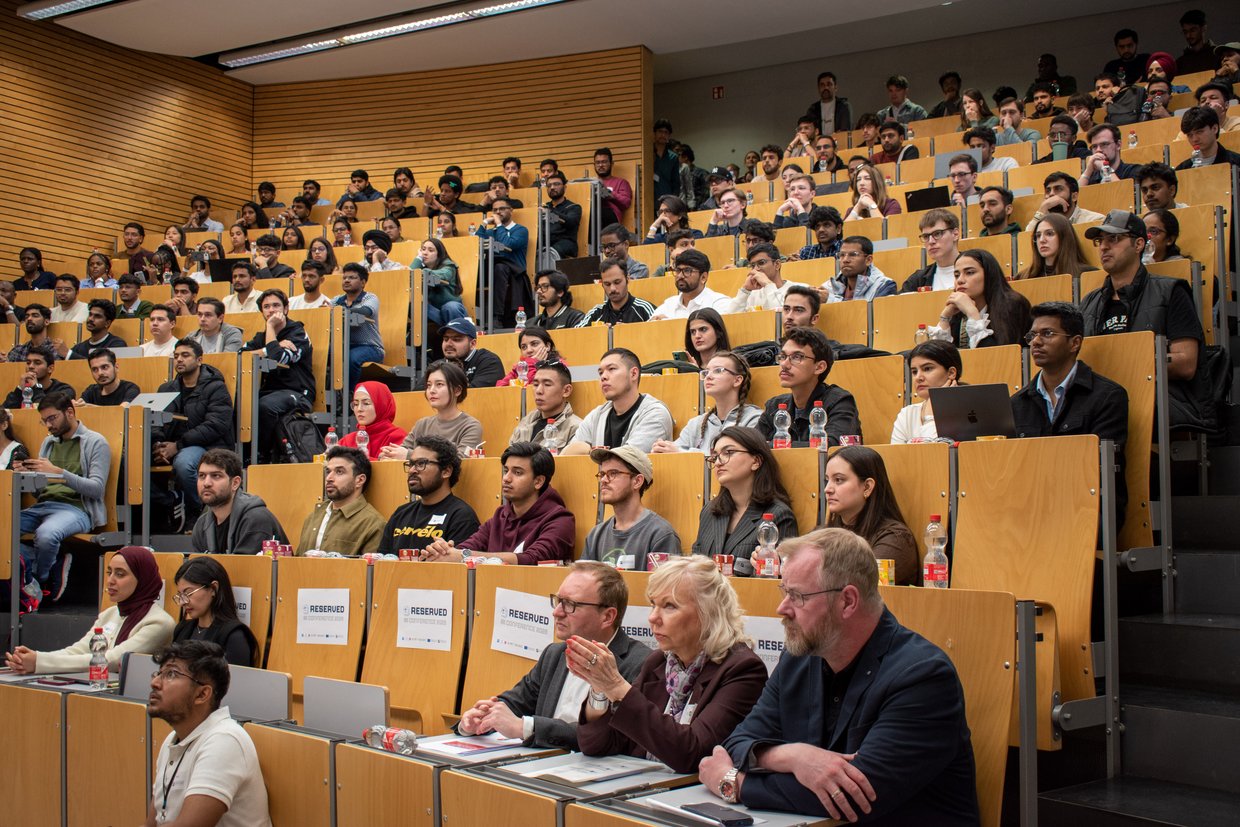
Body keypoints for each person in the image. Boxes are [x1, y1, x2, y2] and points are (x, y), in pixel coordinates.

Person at [701, 527, 979, 822]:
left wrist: (734, 783)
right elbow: (738, 742)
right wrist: (794, 757)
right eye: (784, 592)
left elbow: (854, 797)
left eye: (797, 596)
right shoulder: (798, 658)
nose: (782, 608)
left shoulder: (923, 677)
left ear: (847, 601)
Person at [572, 556, 766, 772]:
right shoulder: (659, 662)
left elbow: (693, 754)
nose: (653, 617)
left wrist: (617, 687)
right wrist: (600, 689)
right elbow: (596, 745)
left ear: (708, 613)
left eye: (669, 606)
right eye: (653, 605)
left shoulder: (741, 670)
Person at [456, 562, 650, 749]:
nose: (556, 613)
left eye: (570, 604)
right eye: (558, 601)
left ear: (607, 617)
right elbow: (516, 702)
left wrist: (525, 727)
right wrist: (480, 718)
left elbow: (612, 738)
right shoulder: (554, 654)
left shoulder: (641, 663)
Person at [1079, 210, 1204, 425]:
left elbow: (1186, 363)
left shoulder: (1171, 291)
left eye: (1114, 239)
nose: (1103, 247)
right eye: (1100, 241)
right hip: (1101, 401)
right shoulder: (1089, 303)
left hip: (1155, 399)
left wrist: (1126, 364)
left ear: (1138, 245)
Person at [1011, 302, 1129, 516]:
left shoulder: (1107, 396)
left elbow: (1098, 469)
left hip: (1086, 507)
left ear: (1075, 343)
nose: (1036, 342)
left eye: (1047, 334)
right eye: (1032, 335)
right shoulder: (1018, 403)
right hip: (1031, 506)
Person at [145, 640, 272, 827]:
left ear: (202, 694)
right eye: (159, 673)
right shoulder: (172, 741)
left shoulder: (225, 740)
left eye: (171, 674)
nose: (155, 682)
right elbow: (152, 824)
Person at [7, 546, 173, 671]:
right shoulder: (110, 614)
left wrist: (39, 663)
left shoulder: (159, 622)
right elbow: (79, 650)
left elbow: (113, 660)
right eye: (109, 572)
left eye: (120, 574)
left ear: (142, 579)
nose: (110, 580)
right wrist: (34, 658)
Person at [13, 392, 109, 606]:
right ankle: (45, 563)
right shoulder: (49, 442)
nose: (48, 425)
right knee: (3, 529)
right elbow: (39, 492)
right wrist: (25, 476)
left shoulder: (96, 442)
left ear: (69, 412)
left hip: (77, 509)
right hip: (44, 505)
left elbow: (96, 489)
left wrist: (59, 473)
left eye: (52, 418)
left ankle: (40, 580)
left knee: (46, 535)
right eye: (44, 420)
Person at [420, 442, 575, 564]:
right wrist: (442, 552)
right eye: (506, 470)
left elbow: (531, 559)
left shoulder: (560, 520)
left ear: (538, 481)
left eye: (517, 472)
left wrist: (462, 556)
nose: (506, 478)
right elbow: (467, 547)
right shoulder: (500, 516)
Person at [692, 427, 799, 573]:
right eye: (715, 456)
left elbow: (783, 580)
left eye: (728, 452)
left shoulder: (779, 516)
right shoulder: (709, 512)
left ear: (756, 461)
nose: (718, 462)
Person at [154, 339, 236, 525]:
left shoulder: (215, 387)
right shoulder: (166, 389)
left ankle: (201, 512)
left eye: (185, 355)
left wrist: (178, 445)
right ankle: (170, 502)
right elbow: (155, 421)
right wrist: (158, 445)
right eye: (176, 356)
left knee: (184, 464)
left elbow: (216, 425)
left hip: (209, 446)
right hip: (174, 446)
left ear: (199, 360)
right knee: (132, 461)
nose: (179, 360)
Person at [825, 447, 918, 585]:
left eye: (838, 480)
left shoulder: (895, 539)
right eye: (827, 480)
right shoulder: (825, 532)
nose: (828, 489)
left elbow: (853, 587)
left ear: (867, 487)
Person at [376, 436, 481, 556]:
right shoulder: (401, 513)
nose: (412, 470)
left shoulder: (461, 516)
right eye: (411, 464)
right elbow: (382, 561)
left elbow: (457, 568)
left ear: (446, 471)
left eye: (421, 463)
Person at [581, 446, 682, 569]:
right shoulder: (595, 535)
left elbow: (664, 586)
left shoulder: (660, 534)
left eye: (613, 473)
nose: (603, 480)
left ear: (637, 481)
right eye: (602, 474)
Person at [242, 289, 314, 458]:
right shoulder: (261, 337)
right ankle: (242, 454)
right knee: (239, 404)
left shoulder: (298, 332)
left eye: (276, 305)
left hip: (298, 393)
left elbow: (277, 358)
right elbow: (241, 355)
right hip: (269, 391)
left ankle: (261, 455)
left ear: (286, 309)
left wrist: (270, 329)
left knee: (264, 406)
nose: (271, 310)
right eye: (266, 307)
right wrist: (269, 347)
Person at [758, 327, 860, 446]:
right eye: (783, 356)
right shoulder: (774, 406)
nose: (784, 365)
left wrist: (770, 445)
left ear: (819, 367)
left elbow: (832, 446)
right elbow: (751, 445)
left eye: (797, 357)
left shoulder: (839, 401)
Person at [562, 348, 674, 455]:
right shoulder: (596, 415)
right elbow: (568, 455)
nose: (603, 377)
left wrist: (588, 451)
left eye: (611, 369)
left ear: (633, 374)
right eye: (600, 372)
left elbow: (628, 460)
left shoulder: (656, 414)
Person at [655, 351, 761, 454]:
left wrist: (680, 452)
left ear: (737, 380)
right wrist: (663, 449)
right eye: (706, 372)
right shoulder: (696, 423)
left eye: (718, 370)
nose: (708, 377)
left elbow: (734, 457)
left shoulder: (754, 418)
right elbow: (675, 450)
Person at [926, 249, 1032, 349]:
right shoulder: (957, 310)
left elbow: (997, 358)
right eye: (956, 275)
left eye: (970, 273)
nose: (960, 280)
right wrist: (944, 318)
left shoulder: (1013, 304)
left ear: (989, 275)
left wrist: (972, 314)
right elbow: (941, 359)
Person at [190, 449, 287, 554]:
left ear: (235, 483)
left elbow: (244, 569)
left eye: (216, 476)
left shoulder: (256, 519)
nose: (206, 483)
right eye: (202, 476)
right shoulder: (201, 525)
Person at [294, 446, 386, 556]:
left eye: (339, 472)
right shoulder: (314, 516)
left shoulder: (373, 524)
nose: (329, 478)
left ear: (360, 480)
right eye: (328, 471)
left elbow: (371, 571)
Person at [170, 557, 259, 667]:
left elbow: (235, 682)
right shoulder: (182, 629)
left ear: (213, 588)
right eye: (180, 595)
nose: (183, 602)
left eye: (188, 593)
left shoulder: (234, 636)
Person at [392, 360, 484, 459]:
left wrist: (410, 455)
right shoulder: (422, 424)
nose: (431, 390)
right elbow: (401, 451)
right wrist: (389, 454)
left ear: (457, 390)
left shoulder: (471, 426)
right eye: (428, 385)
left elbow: (460, 460)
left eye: (439, 384)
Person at [891, 340, 962, 444]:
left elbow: (933, 455)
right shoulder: (906, 414)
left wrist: (933, 410)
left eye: (927, 369)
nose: (918, 378)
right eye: (914, 371)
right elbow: (896, 458)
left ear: (951, 373)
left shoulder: (968, 413)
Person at [335, 263, 383, 396]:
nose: (346, 280)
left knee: (351, 358)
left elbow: (365, 311)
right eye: (344, 278)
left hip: (371, 347)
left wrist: (339, 312)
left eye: (352, 277)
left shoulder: (370, 298)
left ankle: (348, 395)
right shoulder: (337, 300)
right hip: (344, 347)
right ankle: (333, 394)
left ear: (362, 282)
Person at [329, 383, 404, 463]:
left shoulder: (397, 436)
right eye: (356, 404)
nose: (359, 409)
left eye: (366, 403)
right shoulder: (348, 439)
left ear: (381, 405)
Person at [651, 249, 730, 320]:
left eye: (687, 271)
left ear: (703, 277)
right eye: (678, 270)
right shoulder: (669, 304)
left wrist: (671, 322)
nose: (680, 276)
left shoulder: (719, 303)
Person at [574, 259, 656, 327]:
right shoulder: (597, 312)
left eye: (617, 282)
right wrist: (598, 333)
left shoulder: (644, 308)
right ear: (602, 284)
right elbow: (576, 335)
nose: (612, 289)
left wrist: (632, 332)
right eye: (607, 284)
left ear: (627, 279)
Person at [1017, 213, 1095, 280]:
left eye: (1049, 234)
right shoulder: (1022, 278)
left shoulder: (1086, 275)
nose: (1041, 240)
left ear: (1064, 237)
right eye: (1038, 235)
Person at [900, 208, 962, 293]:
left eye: (937, 234)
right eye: (926, 236)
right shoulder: (918, 280)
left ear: (955, 234)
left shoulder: (977, 269)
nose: (931, 241)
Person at [1025, 172, 1106, 231]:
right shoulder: (1044, 223)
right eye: (1048, 191)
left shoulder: (1094, 221)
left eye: (1058, 189)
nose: (1051, 194)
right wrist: (1042, 210)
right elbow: (1028, 243)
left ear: (1074, 196)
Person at [823, 236, 895, 303]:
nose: (845, 260)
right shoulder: (831, 286)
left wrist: (830, 300)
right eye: (842, 255)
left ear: (868, 260)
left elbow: (863, 314)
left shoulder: (883, 285)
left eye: (853, 254)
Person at [438, 317, 505, 387]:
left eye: (456, 339)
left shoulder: (489, 361)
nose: (448, 344)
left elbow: (474, 395)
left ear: (472, 344)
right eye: (445, 339)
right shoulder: (437, 366)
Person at [3, 345, 74, 409]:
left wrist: (36, 387)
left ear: (50, 368)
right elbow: (4, 413)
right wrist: (19, 390)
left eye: (37, 363)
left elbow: (45, 411)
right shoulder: (25, 390)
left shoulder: (64, 390)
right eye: (28, 363)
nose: (30, 366)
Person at [1174, 106, 1240, 170]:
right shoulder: (1181, 170)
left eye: (1199, 132)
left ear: (1215, 128)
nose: (1195, 139)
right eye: (1190, 135)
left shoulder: (1237, 163)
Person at [496, 327, 563, 387]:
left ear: (548, 346)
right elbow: (500, 389)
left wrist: (531, 362)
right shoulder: (520, 367)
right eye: (524, 347)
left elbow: (535, 388)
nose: (529, 350)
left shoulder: (558, 365)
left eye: (534, 344)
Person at [540, 171, 582, 261]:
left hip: (565, 242)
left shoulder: (574, 207)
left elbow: (570, 222)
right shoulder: (544, 207)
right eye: (549, 185)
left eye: (556, 184)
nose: (552, 187)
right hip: (545, 241)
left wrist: (550, 212)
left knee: (550, 252)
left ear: (565, 187)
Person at [593, 147, 633, 228]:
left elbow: (626, 202)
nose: (600, 165)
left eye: (604, 162)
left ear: (611, 163)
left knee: (600, 211)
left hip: (611, 219)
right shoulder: (590, 183)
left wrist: (609, 194)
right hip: (592, 217)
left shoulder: (621, 182)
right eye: (597, 162)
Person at [805, 71, 852, 137]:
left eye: (829, 84)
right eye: (822, 85)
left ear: (835, 87)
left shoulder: (843, 106)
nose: (825, 88)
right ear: (818, 89)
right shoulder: (813, 109)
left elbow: (845, 130)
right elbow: (810, 132)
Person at [1177, 8, 1219, 75]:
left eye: (1192, 30)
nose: (1188, 35)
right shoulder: (1181, 62)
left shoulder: (1217, 54)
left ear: (1203, 28)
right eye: (1185, 32)